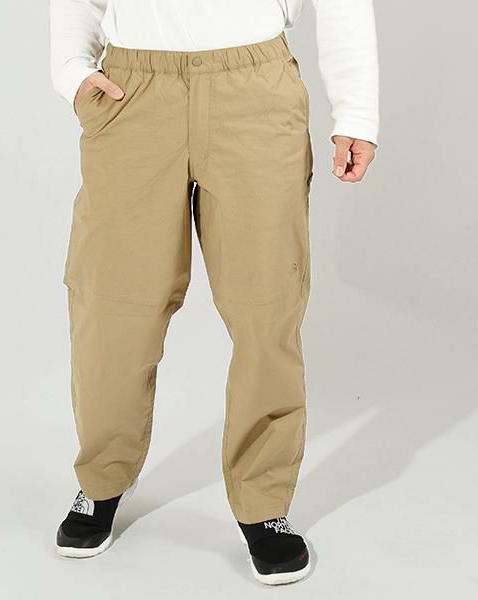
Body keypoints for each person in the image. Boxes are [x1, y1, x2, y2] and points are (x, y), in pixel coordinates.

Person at [49, 0, 378, 585]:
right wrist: (73, 70)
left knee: (267, 307)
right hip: (132, 92)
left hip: (255, 89)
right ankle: (101, 479)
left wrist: (356, 112)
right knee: (112, 302)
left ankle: (264, 502)